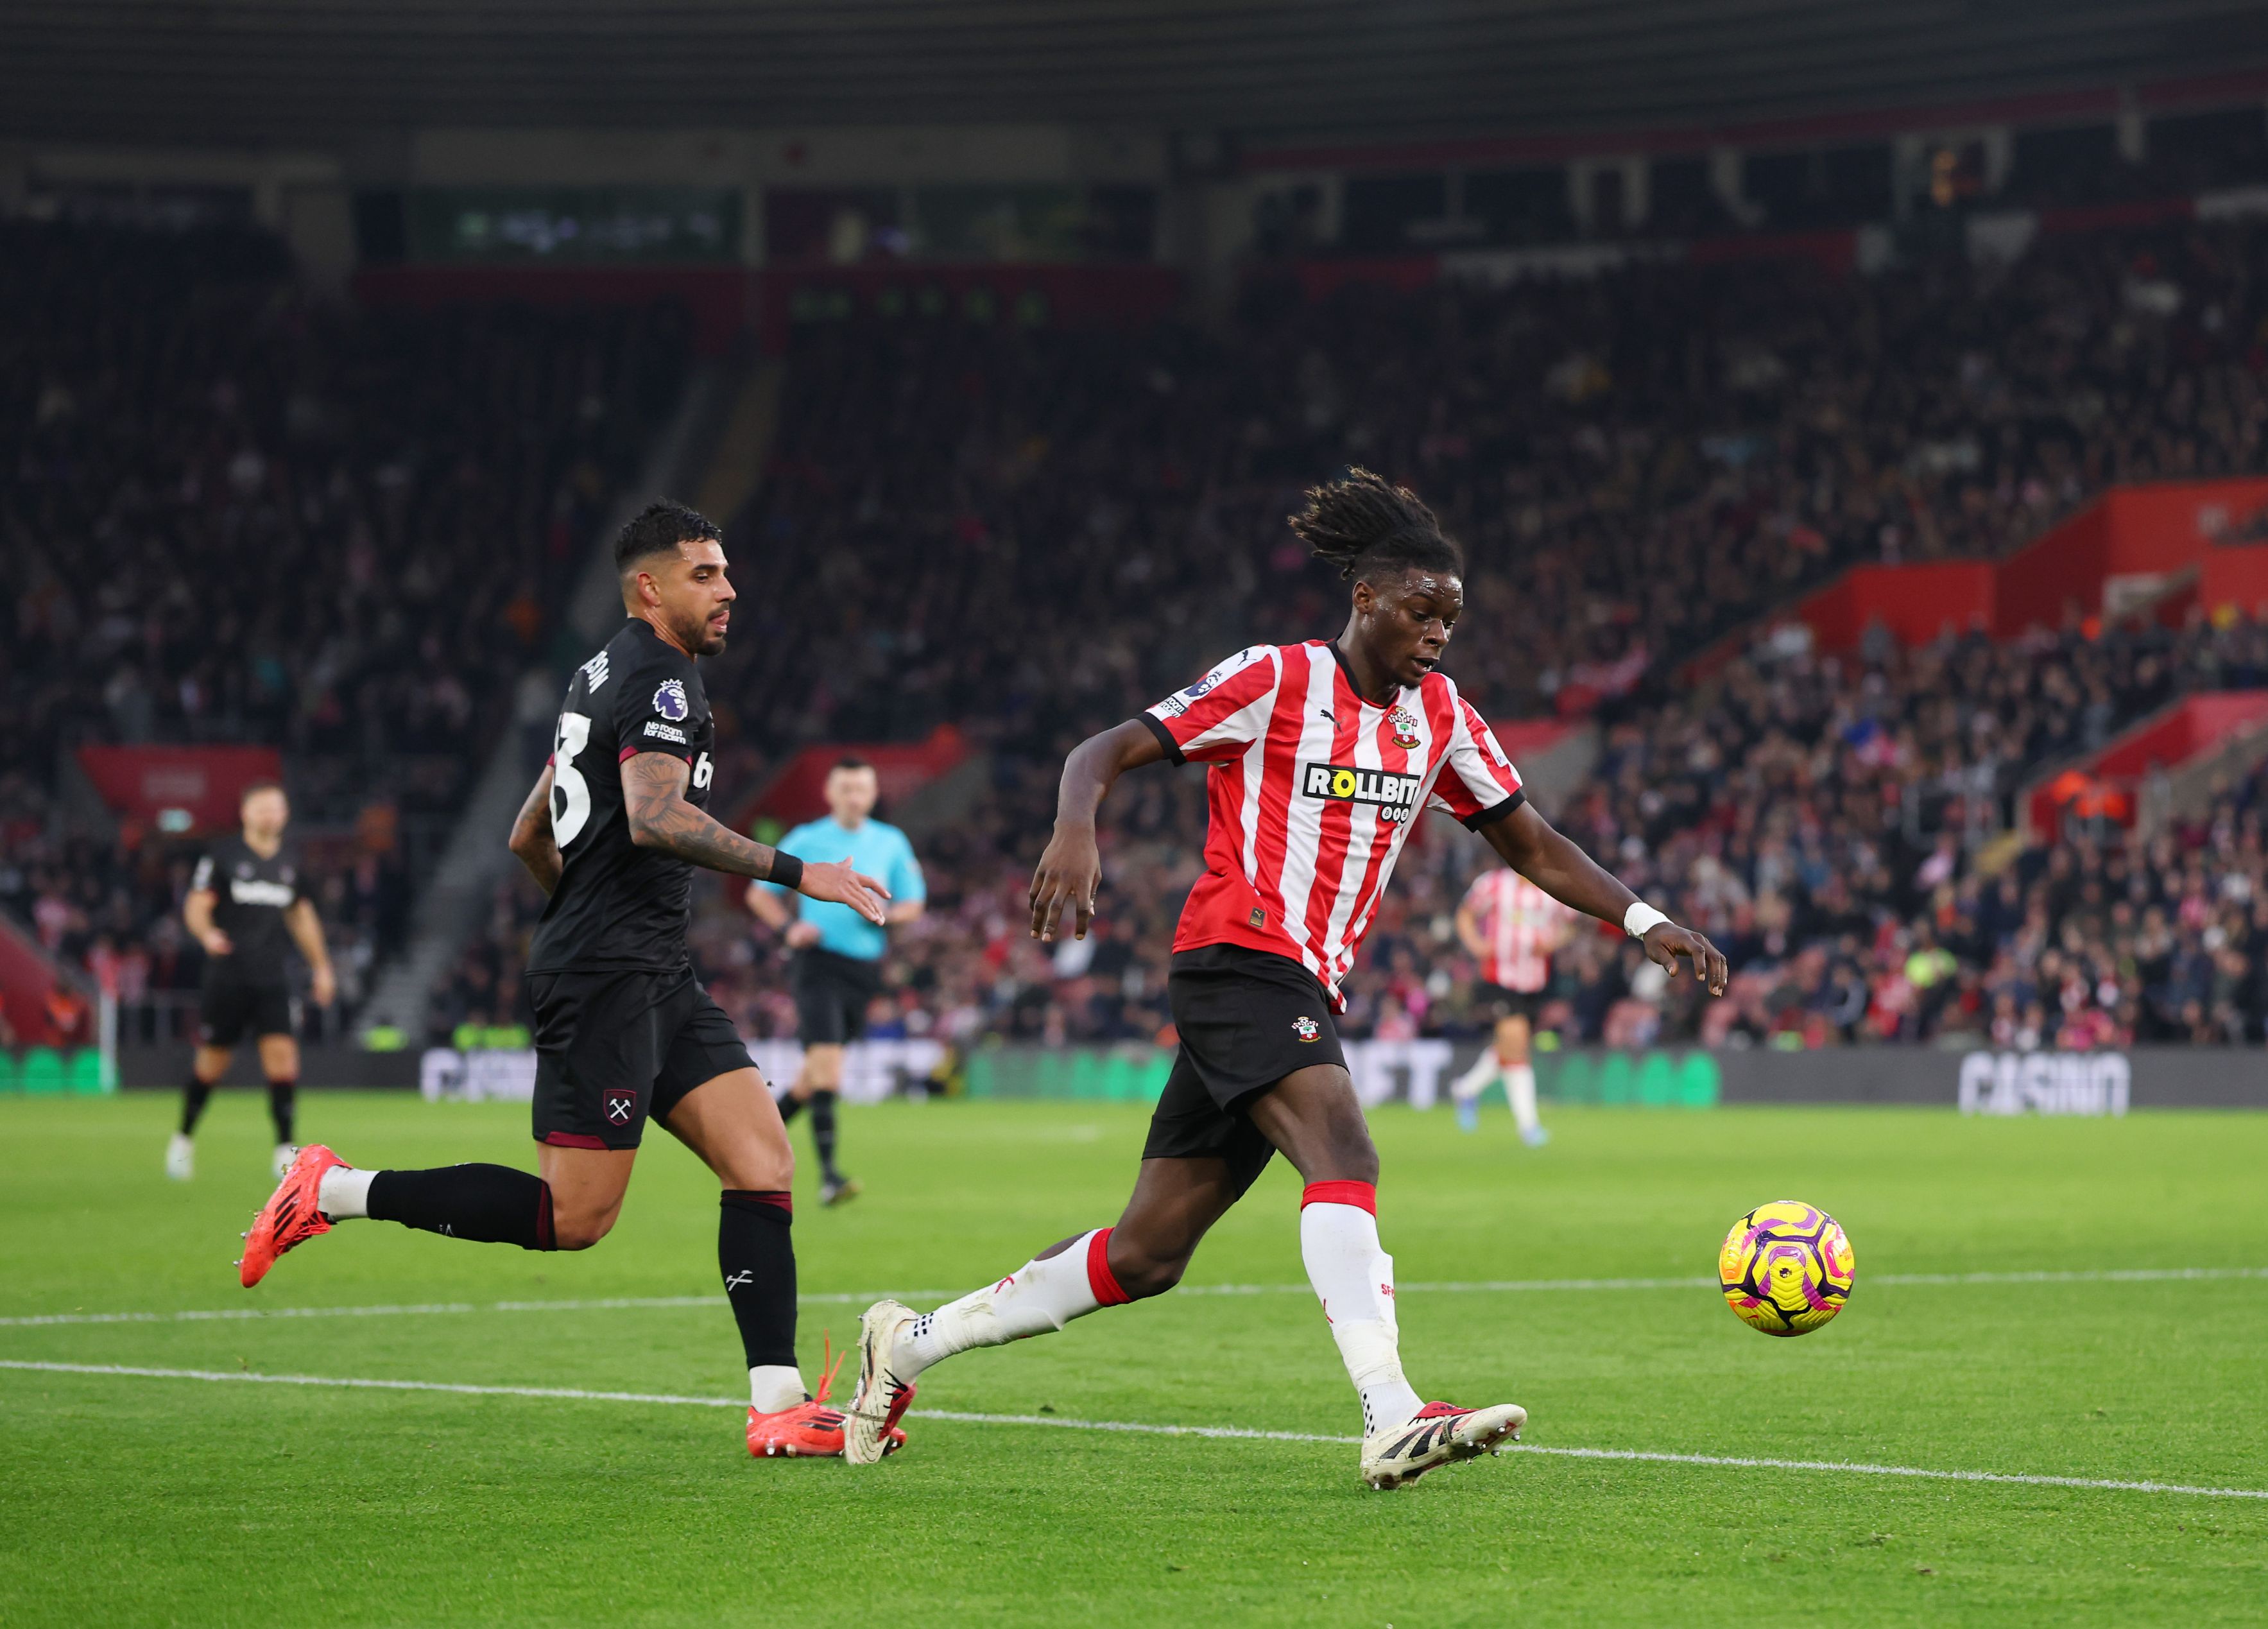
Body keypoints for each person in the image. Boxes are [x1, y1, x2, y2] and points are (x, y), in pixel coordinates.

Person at [842, 470, 1726, 1488]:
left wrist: (1644, 917)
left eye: (1452, 616)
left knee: (1146, 1252)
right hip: (1236, 959)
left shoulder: (1439, 718)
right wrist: (1073, 828)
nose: (1439, 632)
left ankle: (907, 1341)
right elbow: (1106, 747)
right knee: (1342, 1144)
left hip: (1306, 982)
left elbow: (1529, 840)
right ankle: (1391, 1412)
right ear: (1365, 598)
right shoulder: (1274, 679)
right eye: (1420, 610)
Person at [236, 501, 902, 1461]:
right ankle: (332, 1189)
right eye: (706, 573)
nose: (729, 589)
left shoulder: (594, 676)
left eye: (725, 571)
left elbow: (526, 834)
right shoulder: (660, 678)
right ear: (651, 586)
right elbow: (656, 816)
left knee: (763, 1163)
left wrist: (592, 912)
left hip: (645, 968)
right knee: (573, 1218)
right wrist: (805, 873)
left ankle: (779, 1403)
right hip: (608, 977)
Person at [746, 758, 927, 1205]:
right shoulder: (807, 838)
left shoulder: (890, 842)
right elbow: (759, 894)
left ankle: (744, 1144)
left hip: (864, 972)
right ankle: (830, 1178)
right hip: (816, 963)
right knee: (828, 1069)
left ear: (872, 793)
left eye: (862, 789)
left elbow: (913, 903)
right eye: (846, 788)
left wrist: (884, 915)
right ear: (830, 793)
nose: (854, 797)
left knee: (813, 1079)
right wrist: (789, 930)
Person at [168, 782, 335, 1182]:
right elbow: (196, 904)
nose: (270, 815)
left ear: (285, 813)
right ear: (245, 813)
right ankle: (183, 1140)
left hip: (273, 977)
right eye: (262, 808)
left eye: (276, 808)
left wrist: (322, 966)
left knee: (282, 1059)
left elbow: (301, 916)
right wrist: (206, 933)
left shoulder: (291, 861)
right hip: (228, 976)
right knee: (212, 1062)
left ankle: (284, 1151)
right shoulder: (222, 856)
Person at [1448, 865, 1578, 1142]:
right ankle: (1529, 1126)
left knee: (1509, 1049)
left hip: (1533, 983)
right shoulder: (1494, 884)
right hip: (1499, 979)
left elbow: (1571, 926)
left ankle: (1466, 1090)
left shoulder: (1550, 888)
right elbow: (1466, 914)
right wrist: (1476, 944)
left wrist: (1553, 942)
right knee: (1517, 1046)